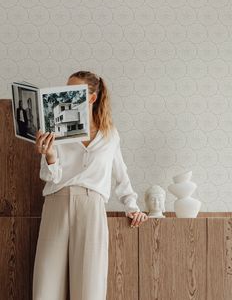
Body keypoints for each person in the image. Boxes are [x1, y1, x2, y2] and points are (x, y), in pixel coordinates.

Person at [32, 70, 148, 300]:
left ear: (92, 98)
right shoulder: (55, 129)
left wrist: (132, 206)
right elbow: (49, 176)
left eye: (73, 92)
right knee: (47, 285)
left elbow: (120, 174)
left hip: (92, 207)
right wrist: (50, 156)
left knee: (90, 287)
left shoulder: (109, 135)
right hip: (57, 203)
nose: (66, 96)